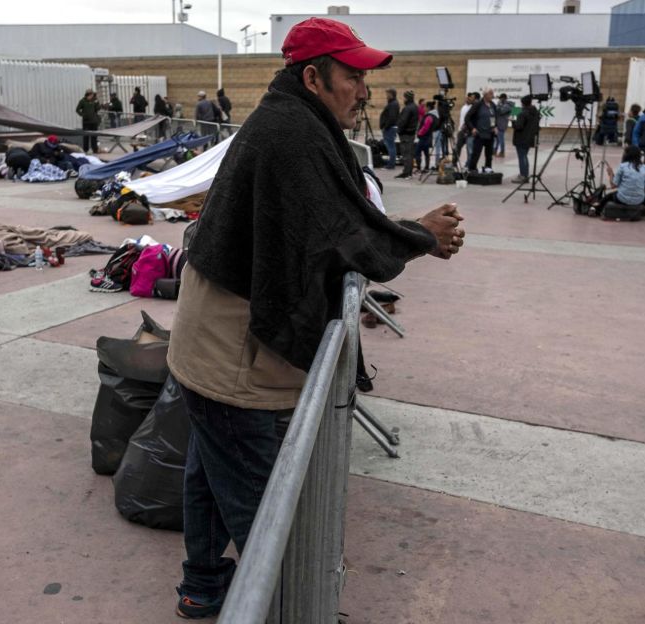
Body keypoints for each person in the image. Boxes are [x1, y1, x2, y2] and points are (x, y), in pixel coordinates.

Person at [166, 16, 464, 619]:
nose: (364, 90)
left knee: (208, 469)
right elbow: (342, 237)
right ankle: (287, 607)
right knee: (265, 510)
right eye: (352, 75)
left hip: (208, 335)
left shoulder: (292, 120)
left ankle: (201, 586)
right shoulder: (291, 131)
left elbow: (331, 221)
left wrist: (409, 234)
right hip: (233, 352)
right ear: (313, 76)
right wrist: (419, 236)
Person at [607, 145, 645, 212]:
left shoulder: (623, 166)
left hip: (622, 199)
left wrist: (610, 174)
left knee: (608, 196)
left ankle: (595, 208)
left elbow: (613, 185)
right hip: (639, 200)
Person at [465, 88, 497, 173]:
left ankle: (488, 169)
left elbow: (493, 117)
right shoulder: (478, 104)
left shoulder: (493, 105)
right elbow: (467, 118)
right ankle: (472, 169)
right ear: (485, 95)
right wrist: (472, 128)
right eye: (491, 93)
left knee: (489, 154)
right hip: (479, 133)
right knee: (476, 153)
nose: (492, 95)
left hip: (490, 134)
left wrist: (494, 126)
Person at [511, 95, 540, 183]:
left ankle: (523, 175)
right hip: (530, 138)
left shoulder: (522, 113)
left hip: (521, 138)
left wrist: (513, 121)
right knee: (524, 156)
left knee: (522, 157)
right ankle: (524, 174)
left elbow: (519, 126)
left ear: (523, 103)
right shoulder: (535, 113)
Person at [395, 90, 418, 179]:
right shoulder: (414, 107)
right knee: (409, 154)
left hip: (406, 134)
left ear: (407, 98)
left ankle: (407, 172)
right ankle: (408, 171)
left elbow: (403, 121)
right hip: (410, 133)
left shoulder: (408, 108)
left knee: (406, 154)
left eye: (404, 97)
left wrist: (399, 130)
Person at [379, 88, 400, 169]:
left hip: (390, 128)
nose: (386, 96)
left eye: (387, 94)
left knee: (391, 146)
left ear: (391, 94)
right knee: (390, 146)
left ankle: (391, 164)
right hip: (390, 127)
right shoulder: (392, 103)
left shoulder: (393, 104)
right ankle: (391, 163)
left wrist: (386, 126)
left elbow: (392, 117)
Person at [454, 92, 476, 167]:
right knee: (457, 148)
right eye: (467, 97)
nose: (468, 99)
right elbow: (461, 119)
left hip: (469, 132)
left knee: (469, 150)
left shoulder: (473, 108)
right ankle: (454, 162)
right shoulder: (463, 107)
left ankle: (468, 165)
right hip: (461, 131)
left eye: (470, 98)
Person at [415, 101, 438, 171]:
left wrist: (419, 133)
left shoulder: (429, 116)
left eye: (425, 107)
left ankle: (419, 167)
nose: (424, 108)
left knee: (417, 152)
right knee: (426, 153)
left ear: (428, 107)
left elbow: (425, 127)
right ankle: (426, 167)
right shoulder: (434, 115)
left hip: (424, 137)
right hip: (428, 137)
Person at [76, 89, 101, 154]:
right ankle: (85, 150)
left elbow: (97, 109)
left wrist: (97, 103)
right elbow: (77, 110)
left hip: (94, 122)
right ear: (88, 95)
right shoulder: (82, 101)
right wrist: (83, 115)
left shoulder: (94, 101)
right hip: (86, 122)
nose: (92, 96)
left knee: (94, 136)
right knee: (86, 136)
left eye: (92, 95)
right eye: (91, 95)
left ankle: (95, 149)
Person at [494, 93, 512, 157]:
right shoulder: (503, 104)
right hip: (499, 123)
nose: (500, 100)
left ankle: (502, 152)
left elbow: (500, 111)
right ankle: (495, 150)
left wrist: (498, 105)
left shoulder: (507, 105)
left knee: (501, 139)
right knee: (498, 139)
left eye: (501, 98)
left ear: (504, 98)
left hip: (502, 124)